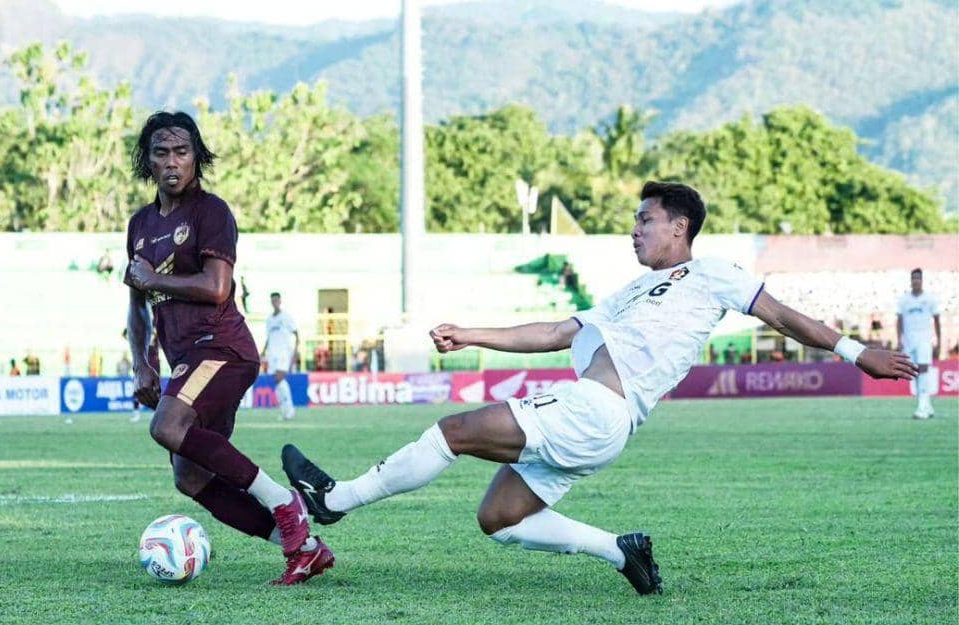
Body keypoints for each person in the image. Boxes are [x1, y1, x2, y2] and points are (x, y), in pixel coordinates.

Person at [279, 181, 917, 596]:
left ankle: (338, 499)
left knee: (455, 431)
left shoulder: (713, 273)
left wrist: (857, 353)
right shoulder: (629, 291)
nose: (634, 229)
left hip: (597, 410)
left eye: (646, 219)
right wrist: (474, 333)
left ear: (680, 226)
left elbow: (782, 317)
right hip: (597, 422)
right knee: (499, 520)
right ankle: (621, 551)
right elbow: (556, 331)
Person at [123, 111, 326, 585]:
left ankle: (283, 501)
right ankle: (304, 548)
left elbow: (217, 286)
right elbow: (135, 301)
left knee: (167, 426)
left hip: (223, 348)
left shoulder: (211, 212)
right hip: (185, 359)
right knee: (189, 478)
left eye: (182, 151)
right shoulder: (140, 224)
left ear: (197, 158)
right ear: (146, 161)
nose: (172, 162)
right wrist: (142, 364)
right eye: (161, 153)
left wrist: (155, 279)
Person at [896, 268, 942, 419]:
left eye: (918, 278)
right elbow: (899, 320)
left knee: (923, 369)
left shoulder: (930, 299)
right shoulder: (904, 300)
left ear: (922, 280)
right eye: (913, 278)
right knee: (914, 371)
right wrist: (899, 340)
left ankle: (922, 407)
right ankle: (926, 405)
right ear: (911, 280)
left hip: (924, 339)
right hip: (909, 341)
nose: (916, 281)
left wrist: (938, 341)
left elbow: (936, 320)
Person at [262, 292, 299, 420]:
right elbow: (268, 338)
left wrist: (295, 352)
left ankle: (289, 410)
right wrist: (263, 352)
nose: (275, 302)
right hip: (272, 353)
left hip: (284, 352)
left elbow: (296, 334)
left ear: (280, 301)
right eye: (273, 300)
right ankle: (284, 410)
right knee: (276, 381)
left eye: (277, 300)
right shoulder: (269, 319)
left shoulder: (286, 317)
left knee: (279, 379)